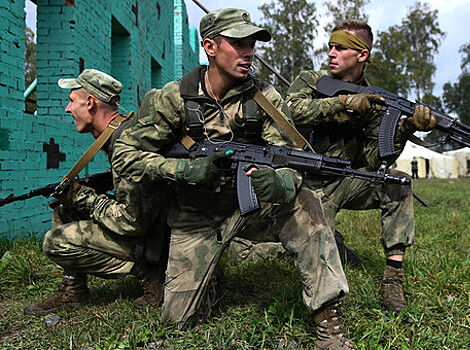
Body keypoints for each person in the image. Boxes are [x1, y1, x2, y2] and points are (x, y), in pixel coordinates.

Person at [111, 8, 359, 349]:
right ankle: (210, 273)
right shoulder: (174, 97)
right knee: (177, 321)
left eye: (252, 44)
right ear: (210, 47)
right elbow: (125, 154)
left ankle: (328, 319)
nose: (249, 52)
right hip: (195, 216)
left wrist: (281, 182)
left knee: (305, 202)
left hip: (249, 210)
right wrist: (182, 170)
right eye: (238, 43)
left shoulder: (266, 98)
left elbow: (291, 157)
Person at [283, 19, 435, 312]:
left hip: (344, 181)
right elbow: (290, 112)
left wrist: (404, 129)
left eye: (340, 48)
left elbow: (373, 160)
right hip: (304, 183)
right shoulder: (311, 81)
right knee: (298, 247)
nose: (331, 53)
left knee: (398, 182)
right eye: (330, 47)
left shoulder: (376, 99)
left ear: (362, 55)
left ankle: (393, 278)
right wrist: (343, 103)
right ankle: (335, 245)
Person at [24, 69, 171, 316]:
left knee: (55, 241)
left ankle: (152, 274)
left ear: (90, 103)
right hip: (159, 227)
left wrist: (84, 196)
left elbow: (133, 222)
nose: (67, 109)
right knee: (65, 208)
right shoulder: (120, 131)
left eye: (72, 101)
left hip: (161, 237)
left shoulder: (124, 142)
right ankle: (74, 291)